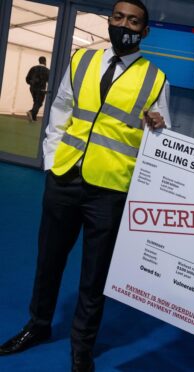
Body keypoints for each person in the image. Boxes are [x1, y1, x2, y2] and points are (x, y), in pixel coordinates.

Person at [0, 1, 170, 371]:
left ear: (145, 31)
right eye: (119, 17)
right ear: (109, 20)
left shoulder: (156, 79)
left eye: (134, 21)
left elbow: (161, 138)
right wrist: (51, 161)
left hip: (109, 190)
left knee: (95, 274)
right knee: (49, 260)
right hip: (64, 177)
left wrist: (158, 127)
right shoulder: (82, 61)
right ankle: (39, 325)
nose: (124, 24)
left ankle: (82, 346)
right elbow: (60, 110)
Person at [25, 56, 50, 122]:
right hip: (41, 89)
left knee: (36, 102)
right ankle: (31, 112)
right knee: (39, 103)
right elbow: (49, 80)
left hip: (32, 88)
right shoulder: (47, 70)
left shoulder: (33, 68)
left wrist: (31, 84)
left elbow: (27, 78)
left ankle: (34, 118)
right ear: (45, 62)